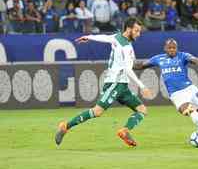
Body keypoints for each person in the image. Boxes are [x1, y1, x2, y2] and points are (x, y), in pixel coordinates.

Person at [55, 17, 152, 147]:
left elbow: (104, 38)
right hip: (114, 83)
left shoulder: (118, 38)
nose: (138, 34)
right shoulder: (126, 47)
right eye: (136, 31)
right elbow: (128, 69)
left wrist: (88, 37)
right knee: (97, 111)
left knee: (142, 109)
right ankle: (65, 126)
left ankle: (125, 131)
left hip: (122, 86)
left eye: (139, 31)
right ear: (128, 29)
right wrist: (142, 86)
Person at [133, 39, 198, 138]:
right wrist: (127, 66)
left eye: (174, 48)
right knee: (188, 110)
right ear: (165, 48)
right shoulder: (158, 58)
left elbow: (193, 59)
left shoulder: (183, 56)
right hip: (176, 94)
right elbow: (141, 65)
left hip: (190, 89)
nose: (172, 50)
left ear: (177, 48)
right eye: (169, 48)